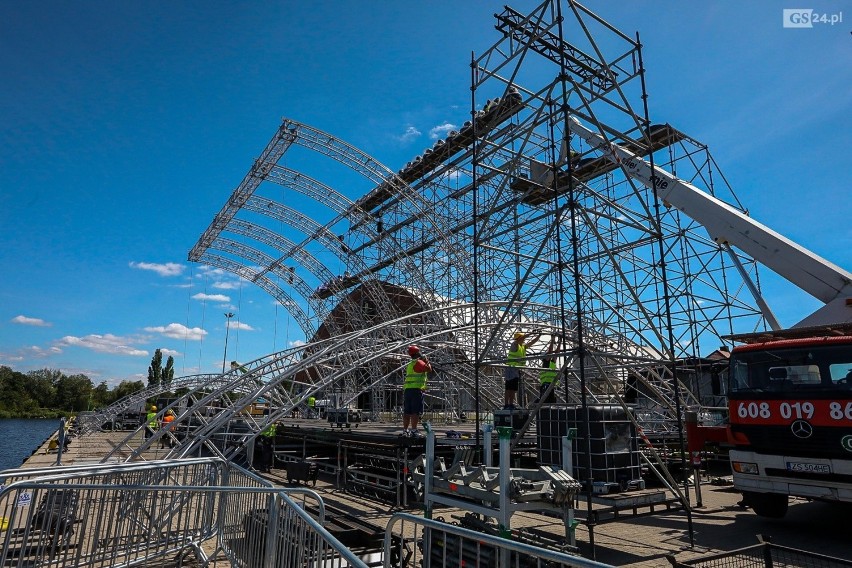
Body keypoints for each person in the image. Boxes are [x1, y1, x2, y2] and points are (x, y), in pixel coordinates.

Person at [504, 330, 541, 409]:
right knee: (509, 388)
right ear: (519, 338)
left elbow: (532, 342)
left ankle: (511, 404)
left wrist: (538, 336)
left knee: (513, 388)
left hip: (516, 369)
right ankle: (506, 404)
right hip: (510, 368)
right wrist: (531, 333)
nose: (524, 340)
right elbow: (523, 338)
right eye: (522, 338)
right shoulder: (514, 344)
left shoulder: (522, 347)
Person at [403, 345, 432, 437]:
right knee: (415, 412)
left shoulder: (410, 364)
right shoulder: (419, 362)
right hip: (416, 390)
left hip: (408, 390)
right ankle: (414, 430)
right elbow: (429, 369)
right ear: (417, 353)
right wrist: (426, 361)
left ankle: (405, 430)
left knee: (407, 411)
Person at [539, 337, 560, 404]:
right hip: (545, 386)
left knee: (551, 402)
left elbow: (557, 353)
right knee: (546, 402)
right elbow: (550, 351)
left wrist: (560, 342)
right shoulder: (546, 363)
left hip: (551, 385)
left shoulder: (551, 363)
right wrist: (552, 341)